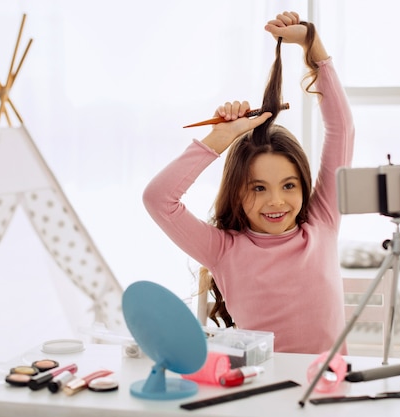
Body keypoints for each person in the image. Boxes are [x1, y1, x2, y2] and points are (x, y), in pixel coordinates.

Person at [143, 11, 354, 354]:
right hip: (260, 390)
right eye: (258, 188)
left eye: (288, 186)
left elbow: (341, 129)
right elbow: (158, 199)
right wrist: (219, 138)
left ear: (303, 185)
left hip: (326, 392)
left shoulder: (323, 223)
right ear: (236, 192)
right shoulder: (223, 249)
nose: (276, 201)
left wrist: (313, 47)